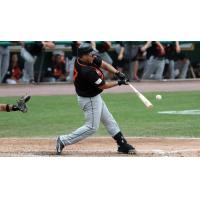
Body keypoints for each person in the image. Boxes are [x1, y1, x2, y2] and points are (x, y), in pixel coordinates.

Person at [56, 43, 136, 155]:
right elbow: (103, 86)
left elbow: (104, 64)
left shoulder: (86, 59)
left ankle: (122, 144)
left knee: (109, 119)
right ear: (83, 56)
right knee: (92, 127)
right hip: (89, 100)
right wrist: (119, 82)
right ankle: (63, 140)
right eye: (90, 54)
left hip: (94, 97)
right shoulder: (87, 71)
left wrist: (117, 73)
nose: (93, 56)